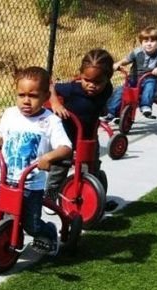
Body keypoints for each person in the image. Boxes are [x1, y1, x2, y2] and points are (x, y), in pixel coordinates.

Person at [0, 66, 72, 255]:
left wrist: (48, 157)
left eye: (33, 96)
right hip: (2, 179)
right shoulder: (10, 113)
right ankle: (7, 234)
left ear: (46, 97)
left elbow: (66, 147)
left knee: (32, 225)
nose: (26, 101)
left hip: (30, 184)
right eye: (21, 95)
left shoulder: (50, 121)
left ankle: (49, 233)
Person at [45, 48, 115, 201]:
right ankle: (50, 198)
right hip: (67, 138)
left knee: (91, 166)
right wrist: (55, 103)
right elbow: (50, 87)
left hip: (89, 137)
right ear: (81, 76)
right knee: (59, 168)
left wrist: (102, 108)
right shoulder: (72, 89)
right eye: (86, 80)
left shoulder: (107, 89)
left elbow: (98, 102)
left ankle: (91, 196)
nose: (91, 85)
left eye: (97, 82)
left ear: (108, 78)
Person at [103, 26, 157, 121]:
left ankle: (145, 106)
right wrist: (118, 64)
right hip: (133, 79)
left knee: (149, 87)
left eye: (152, 41)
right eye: (145, 41)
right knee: (120, 91)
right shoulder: (137, 52)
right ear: (141, 42)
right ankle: (111, 113)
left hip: (149, 78)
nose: (149, 44)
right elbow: (126, 60)